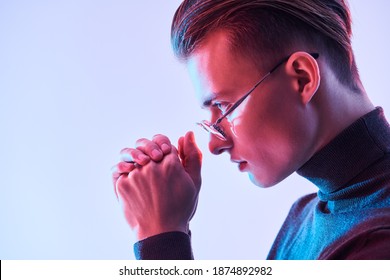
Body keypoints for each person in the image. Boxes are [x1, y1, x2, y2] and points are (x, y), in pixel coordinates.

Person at [112, 0, 390, 259]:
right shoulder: (304, 218)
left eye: (224, 106)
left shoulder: (375, 243)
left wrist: (162, 237)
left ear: (301, 78)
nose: (213, 145)